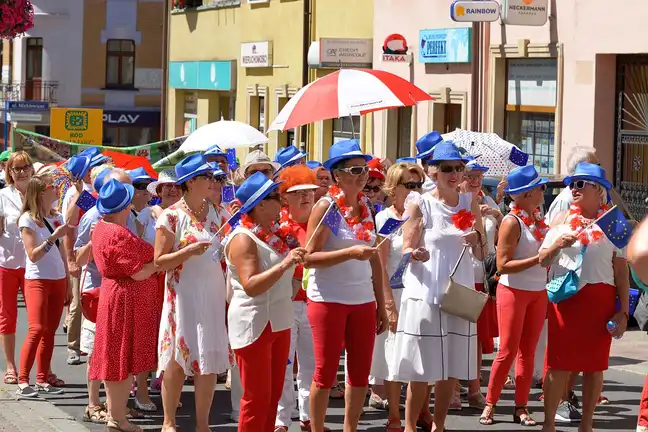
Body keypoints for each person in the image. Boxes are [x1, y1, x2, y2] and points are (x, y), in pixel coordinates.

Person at [394, 141, 486, 432]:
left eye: (459, 167)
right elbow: (406, 249)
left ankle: (440, 426)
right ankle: (410, 427)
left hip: (457, 292)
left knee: (451, 369)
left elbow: (484, 254)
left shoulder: (469, 202)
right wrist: (415, 253)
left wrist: (478, 239)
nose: (455, 173)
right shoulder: (419, 203)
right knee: (422, 368)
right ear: (432, 171)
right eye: (447, 168)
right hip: (426, 291)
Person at [305, 139, 388, 432]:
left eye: (365, 169)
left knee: (361, 373)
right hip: (328, 299)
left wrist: (382, 303)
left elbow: (375, 258)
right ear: (337, 175)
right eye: (355, 169)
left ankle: (349, 429)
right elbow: (309, 258)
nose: (363, 175)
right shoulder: (326, 207)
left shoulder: (366, 205)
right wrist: (349, 253)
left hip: (363, 299)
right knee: (325, 373)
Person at [539, 163, 629, 432]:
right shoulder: (561, 222)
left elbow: (621, 274)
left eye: (580, 184)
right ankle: (548, 425)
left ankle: (586, 425)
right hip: (568, 300)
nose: (573, 189)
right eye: (572, 184)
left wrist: (622, 311)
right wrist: (557, 244)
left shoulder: (614, 225)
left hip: (600, 301)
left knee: (594, 366)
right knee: (558, 364)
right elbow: (542, 259)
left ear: (598, 191)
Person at [225, 172, 307, 432]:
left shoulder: (275, 233)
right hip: (255, 323)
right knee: (256, 398)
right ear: (260, 205)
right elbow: (250, 286)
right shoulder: (243, 239)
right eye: (275, 197)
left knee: (272, 397)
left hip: (279, 320)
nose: (282, 202)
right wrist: (286, 264)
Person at [155, 153, 230, 432]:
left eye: (213, 177)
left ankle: (203, 424)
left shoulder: (219, 212)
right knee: (177, 358)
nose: (213, 181)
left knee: (208, 359)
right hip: (183, 296)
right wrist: (186, 251)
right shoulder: (171, 216)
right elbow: (159, 261)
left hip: (211, 293)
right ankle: (169, 421)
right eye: (207, 177)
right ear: (190, 182)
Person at [479, 165, 549, 427]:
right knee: (506, 351)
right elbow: (502, 265)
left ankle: (521, 407)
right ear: (528, 193)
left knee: (528, 353)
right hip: (513, 291)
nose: (543, 192)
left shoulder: (538, 219)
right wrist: (538, 259)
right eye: (540, 188)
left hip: (537, 292)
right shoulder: (512, 221)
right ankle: (490, 404)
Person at [88, 179, 159, 432]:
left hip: (115, 295)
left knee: (116, 357)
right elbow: (138, 273)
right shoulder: (116, 233)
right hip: (124, 299)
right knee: (121, 358)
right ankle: (117, 417)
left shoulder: (102, 227)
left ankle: (115, 414)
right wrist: (160, 264)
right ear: (125, 206)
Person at [370, 161, 426, 430]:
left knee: (420, 357)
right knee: (393, 357)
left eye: (419, 185)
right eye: (409, 185)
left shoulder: (425, 213)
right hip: (395, 293)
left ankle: (418, 414)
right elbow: (379, 264)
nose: (415, 190)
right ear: (393, 189)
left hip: (421, 292)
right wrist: (388, 304)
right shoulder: (384, 218)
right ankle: (394, 415)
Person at [273, 165, 320, 432]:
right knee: (283, 363)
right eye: (298, 192)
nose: (305, 197)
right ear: (284, 197)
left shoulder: (323, 222)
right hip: (286, 303)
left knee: (312, 364)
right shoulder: (278, 226)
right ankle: (281, 419)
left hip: (316, 301)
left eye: (309, 192)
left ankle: (309, 415)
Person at [17, 174, 70, 397]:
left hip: (58, 279)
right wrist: (51, 238)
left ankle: (41, 378)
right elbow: (32, 256)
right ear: (41, 193)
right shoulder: (27, 220)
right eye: (53, 187)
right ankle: (22, 379)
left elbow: (63, 252)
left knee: (50, 331)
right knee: (36, 328)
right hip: (37, 280)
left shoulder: (56, 216)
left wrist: (67, 281)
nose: (57, 190)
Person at [458, 159, 501, 411]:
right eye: (470, 176)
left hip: (481, 276)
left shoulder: (489, 201)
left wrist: (496, 214)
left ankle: (474, 389)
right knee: (455, 334)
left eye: (479, 177)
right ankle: (453, 387)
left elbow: (503, 233)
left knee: (475, 338)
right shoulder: (455, 202)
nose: (475, 181)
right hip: (459, 275)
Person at [63, 147, 108, 367]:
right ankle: (74, 347)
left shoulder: (104, 190)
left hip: (100, 258)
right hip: (81, 253)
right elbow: (69, 227)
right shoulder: (76, 193)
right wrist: (71, 260)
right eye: (96, 165)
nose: (100, 167)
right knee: (78, 303)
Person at [0, 151, 34, 385]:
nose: (21, 172)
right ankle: (11, 366)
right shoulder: (3, 195)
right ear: (9, 172)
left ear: (32, 169)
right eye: (16, 168)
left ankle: (42, 369)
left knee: (38, 320)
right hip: (8, 263)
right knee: (7, 317)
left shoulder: (39, 193)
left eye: (25, 167)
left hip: (35, 265)